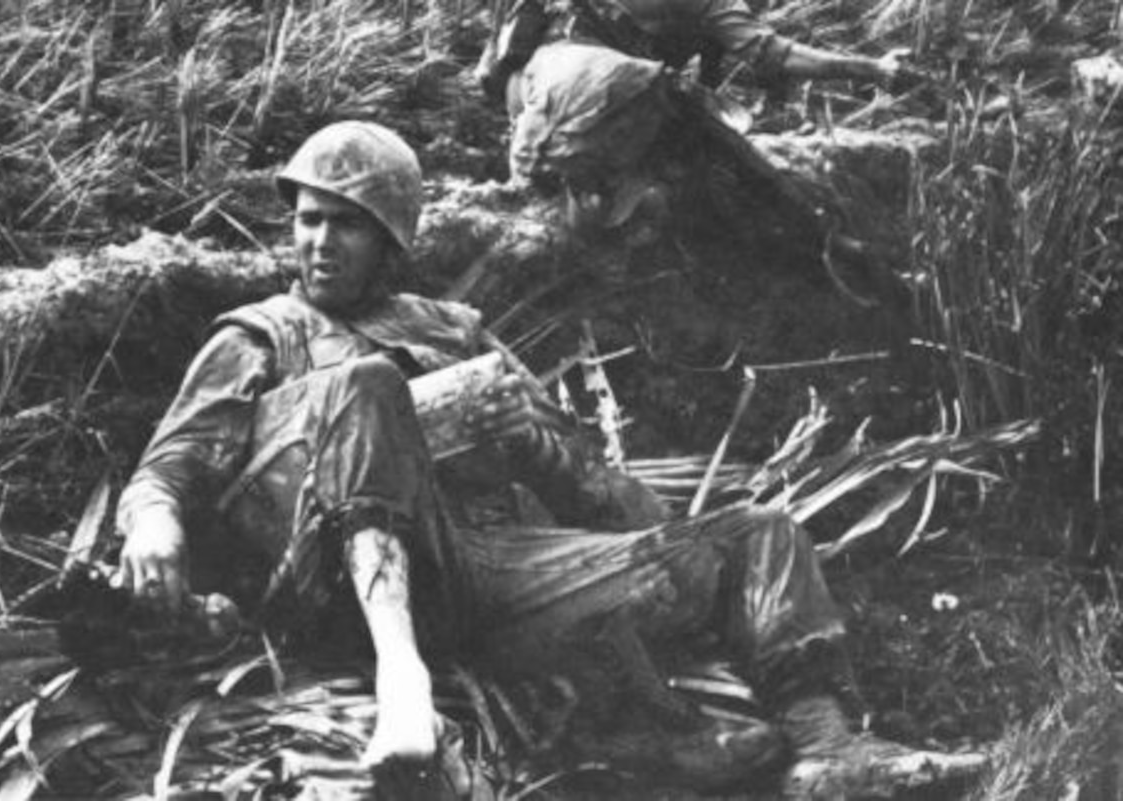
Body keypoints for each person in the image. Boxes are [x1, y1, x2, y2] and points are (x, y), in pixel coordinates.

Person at [114, 120, 982, 797]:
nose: (320, 242)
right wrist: (153, 524)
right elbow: (172, 463)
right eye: (309, 220)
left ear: (393, 239)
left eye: (347, 224)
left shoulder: (450, 330)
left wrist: (538, 442)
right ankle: (405, 682)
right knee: (366, 384)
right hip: (339, 582)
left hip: (489, 566)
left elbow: (596, 488)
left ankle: (826, 750)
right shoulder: (263, 333)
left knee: (758, 532)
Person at [477, 0, 919, 304]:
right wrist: (873, 69)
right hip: (618, 89)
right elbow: (771, 54)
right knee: (726, 165)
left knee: (678, 160)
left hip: (538, 108)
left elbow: (491, 77)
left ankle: (598, 206)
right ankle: (834, 250)